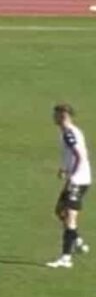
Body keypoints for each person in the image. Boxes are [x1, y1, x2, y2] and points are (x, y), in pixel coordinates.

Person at [49, 104, 92, 268]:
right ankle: (77, 240)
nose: (53, 117)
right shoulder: (69, 132)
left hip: (78, 180)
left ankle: (66, 258)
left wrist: (72, 176)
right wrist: (64, 169)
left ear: (64, 115)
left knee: (70, 217)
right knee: (60, 211)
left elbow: (80, 156)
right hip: (76, 178)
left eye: (56, 114)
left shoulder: (69, 134)